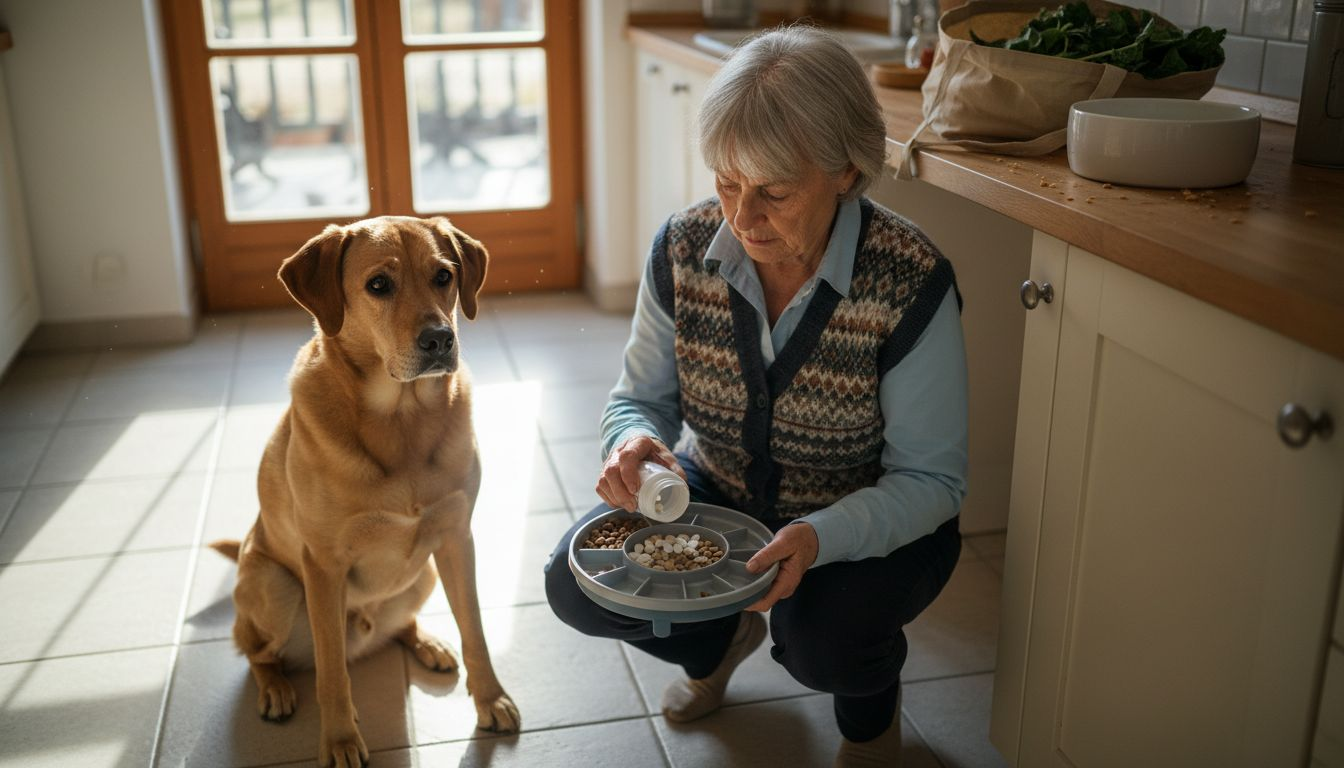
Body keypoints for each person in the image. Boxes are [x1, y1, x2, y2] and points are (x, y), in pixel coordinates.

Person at [544, 25, 967, 767]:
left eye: (773, 191)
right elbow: (636, 397)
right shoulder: (682, 248)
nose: (742, 219)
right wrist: (631, 445)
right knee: (574, 585)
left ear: (846, 169)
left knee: (822, 636)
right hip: (722, 491)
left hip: (865, 516)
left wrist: (820, 537)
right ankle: (716, 641)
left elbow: (932, 481)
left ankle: (870, 724)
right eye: (726, 182)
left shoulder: (909, 280)